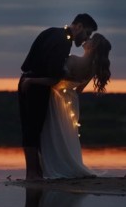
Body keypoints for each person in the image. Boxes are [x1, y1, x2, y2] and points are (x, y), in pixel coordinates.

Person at [18, 14, 98, 180]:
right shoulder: (63, 42)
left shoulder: (52, 32)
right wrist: (66, 77)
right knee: (34, 129)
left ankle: (34, 173)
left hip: (27, 79)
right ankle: (33, 173)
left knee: (31, 128)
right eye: (88, 33)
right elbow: (54, 76)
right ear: (79, 26)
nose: (86, 38)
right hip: (36, 86)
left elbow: (29, 61)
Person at [41, 33, 112, 179]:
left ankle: (53, 167)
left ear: (92, 47)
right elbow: (79, 89)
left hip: (55, 98)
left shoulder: (72, 59)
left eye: (90, 39)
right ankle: (68, 165)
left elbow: (54, 78)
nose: (87, 40)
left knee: (52, 133)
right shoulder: (92, 69)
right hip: (70, 101)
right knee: (66, 134)